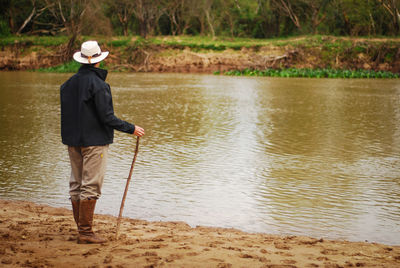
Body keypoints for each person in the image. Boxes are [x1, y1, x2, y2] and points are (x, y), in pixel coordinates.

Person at [60, 40, 145, 244]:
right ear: (98, 60)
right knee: (91, 184)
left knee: (76, 183)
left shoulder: (68, 84)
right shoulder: (99, 85)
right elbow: (107, 117)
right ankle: (86, 233)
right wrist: (131, 128)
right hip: (94, 142)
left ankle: (82, 229)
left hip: (73, 142)